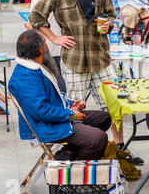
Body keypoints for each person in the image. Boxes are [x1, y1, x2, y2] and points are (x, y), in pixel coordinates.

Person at [29, 0, 144, 165]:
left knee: (114, 106)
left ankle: (119, 149)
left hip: (100, 58)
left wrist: (109, 25)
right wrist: (54, 38)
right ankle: (77, 153)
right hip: (74, 61)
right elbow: (36, 16)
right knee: (74, 110)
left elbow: (111, 15)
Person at [9, 29, 110, 161]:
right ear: (41, 50)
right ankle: (73, 173)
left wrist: (70, 103)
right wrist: (70, 114)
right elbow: (40, 110)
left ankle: (68, 152)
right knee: (98, 139)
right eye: (45, 43)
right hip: (47, 126)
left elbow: (50, 98)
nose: (47, 46)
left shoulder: (36, 66)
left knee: (103, 118)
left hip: (54, 119)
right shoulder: (26, 76)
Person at [25, 0, 67, 94]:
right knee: (64, 80)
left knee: (53, 81)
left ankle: (62, 107)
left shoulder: (37, 1)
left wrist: (28, 25)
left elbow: (34, 26)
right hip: (65, 44)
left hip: (48, 47)